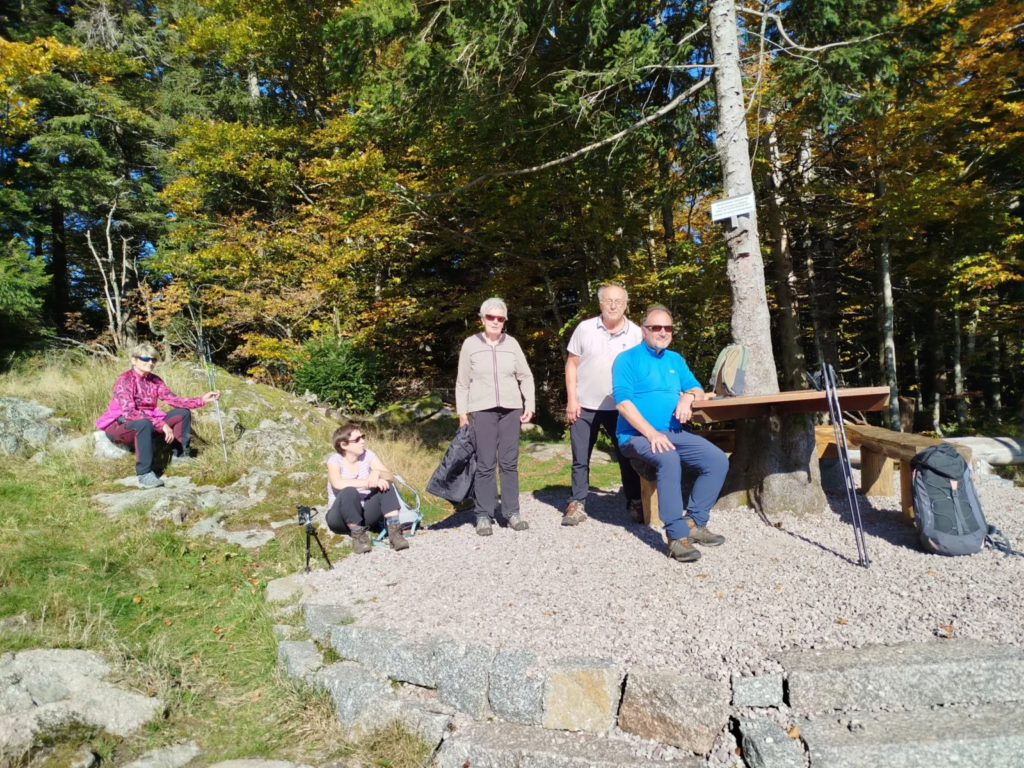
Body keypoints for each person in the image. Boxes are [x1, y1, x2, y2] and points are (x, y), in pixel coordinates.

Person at [613, 305, 730, 563]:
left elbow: (697, 389)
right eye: (656, 327)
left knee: (717, 460)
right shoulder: (627, 359)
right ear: (643, 330)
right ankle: (676, 536)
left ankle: (695, 522)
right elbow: (623, 404)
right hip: (636, 435)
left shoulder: (675, 360)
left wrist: (688, 397)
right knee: (668, 458)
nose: (663, 332)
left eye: (668, 328)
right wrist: (651, 434)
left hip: (675, 432)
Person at [563, 284, 643, 526]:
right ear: (600, 304)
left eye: (619, 301)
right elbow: (571, 364)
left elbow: (642, 371)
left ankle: (635, 501)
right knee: (580, 458)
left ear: (626, 304)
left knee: (627, 456)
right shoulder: (585, 328)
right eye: (609, 301)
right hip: (584, 406)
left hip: (621, 408)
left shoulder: (636, 333)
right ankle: (577, 503)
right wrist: (571, 399)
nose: (613, 305)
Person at [456, 297, 536, 536]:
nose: (495, 321)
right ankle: (483, 514)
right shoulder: (470, 344)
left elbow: (526, 376)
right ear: (482, 319)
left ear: (504, 321)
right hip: (481, 410)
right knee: (485, 463)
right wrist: (462, 414)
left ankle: (512, 512)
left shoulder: (512, 344)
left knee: (509, 463)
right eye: (490, 317)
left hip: (511, 410)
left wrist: (529, 404)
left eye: (500, 318)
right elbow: (462, 383)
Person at [96, 344, 220, 489]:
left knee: (182, 413)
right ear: (133, 360)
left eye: (153, 360)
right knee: (144, 423)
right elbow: (129, 412)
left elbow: (174, 400)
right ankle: (144, 474)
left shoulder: (155, 380)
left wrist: (201, 400)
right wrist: (160, 424)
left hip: (148, 423)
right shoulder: (125, 380)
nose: (150, 362)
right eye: (145, 359)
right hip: (122, 426)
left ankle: (181, 455)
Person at [325, 424, 410, 553]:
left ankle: (395, 534)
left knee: (386, 485)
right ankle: (358, 538)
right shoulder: (335, 460)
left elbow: (390, 476)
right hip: (339, 518)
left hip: (363, 515)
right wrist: (367, 482)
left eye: (362, 437)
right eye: (357, 439)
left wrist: (377, 472)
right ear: (343, 445)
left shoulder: (368, 455)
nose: (362, 441)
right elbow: (337, 483)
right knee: (349, 491)